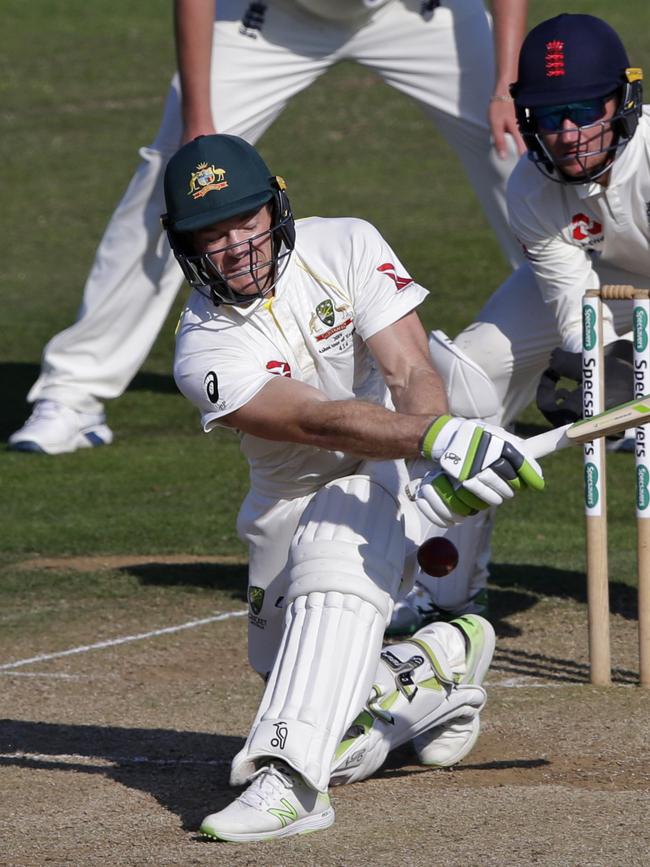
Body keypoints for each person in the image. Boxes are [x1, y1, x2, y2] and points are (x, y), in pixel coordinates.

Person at [162, 133, 544, 841]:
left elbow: (408, 368)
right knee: (328, 713)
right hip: (288, 496)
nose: (236, 248)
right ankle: (434, 667)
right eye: (210, 235)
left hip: (385, 467)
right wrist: (432, 439)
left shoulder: (346, 245)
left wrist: (436, 447)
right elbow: (310, 419)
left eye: (246, 222)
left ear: (276, 209)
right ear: (185, 247)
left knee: (340, 531)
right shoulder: (202, 350)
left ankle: (290, 784)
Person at [9, 0, 528, 455]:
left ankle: (594, 351)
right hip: (271, 18)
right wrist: (198, 117)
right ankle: (75, 391)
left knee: (525, 145)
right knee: (172, 186)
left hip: (420, 12)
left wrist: (506, 85)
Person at [398, 13, 647, 629]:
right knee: (469, 372)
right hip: (601, 284)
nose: (566, 133)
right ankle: (449, 595)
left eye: (584, 109)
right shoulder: (531, 190)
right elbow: (573, 313)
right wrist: (603, 371)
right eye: (548, 114)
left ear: (621, 98)